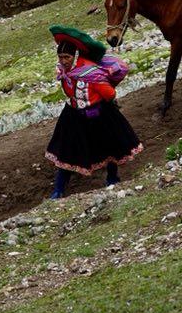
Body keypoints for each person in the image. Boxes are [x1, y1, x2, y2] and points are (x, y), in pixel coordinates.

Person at [45, 25, 143, 199]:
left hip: (99, 115)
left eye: (67, 57)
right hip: (73, 116)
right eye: (60, 57)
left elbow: (110, 94)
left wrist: (95, 96)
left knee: (109, 147)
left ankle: (112, 178)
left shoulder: (91, 73)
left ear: (75, 56)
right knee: (66, 151)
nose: (63, 61)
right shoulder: (64, 72)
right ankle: (58, 189)